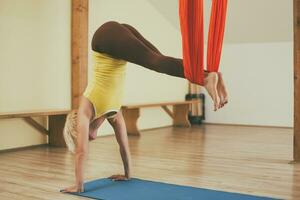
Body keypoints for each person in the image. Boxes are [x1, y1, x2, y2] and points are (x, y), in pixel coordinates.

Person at [61, 21, 228, 193]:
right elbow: (123, 146)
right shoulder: (113, 113)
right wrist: (127, 174)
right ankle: (208, 74)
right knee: (159, 60)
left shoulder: (85, 109)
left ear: (78, 128)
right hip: (116, 37)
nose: (90, 140)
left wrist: (79, 186)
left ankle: (205, 79)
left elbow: (81, 152)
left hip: (104, 38)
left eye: (85, 137)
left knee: (156, 62)